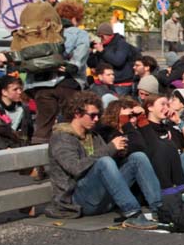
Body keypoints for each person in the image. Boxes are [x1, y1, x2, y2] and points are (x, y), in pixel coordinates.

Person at [46, 92, 161, 227]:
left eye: (98, 116)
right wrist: (110, 148)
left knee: (137, 158)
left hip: (102, 197)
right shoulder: (62, 138)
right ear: (77, 113)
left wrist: (119, 152)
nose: (96, 119)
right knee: (104, 162)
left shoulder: (93, 136)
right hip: (77, 201)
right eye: (92, 115)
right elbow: (75, 168)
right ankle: (133, 214)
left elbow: (107, 162)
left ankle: (158, 208)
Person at [25, 1, 90, 145]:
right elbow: (80, 55)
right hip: (68, 84)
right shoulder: (79, 33)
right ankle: (67, 155)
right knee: (70, 123)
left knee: (43, 125)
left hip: (41, 85)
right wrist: (71, 66)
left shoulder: (44, 33)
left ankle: (39, 163)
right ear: (75, 18)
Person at [88, 22, 139, 96]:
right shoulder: (103, 46)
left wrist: (102, 51)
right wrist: (92, 52)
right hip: (107, 84)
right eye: (99, 37)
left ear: (109, 35)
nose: (101, 39)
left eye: (102, 36)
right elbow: (91, 64)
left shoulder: (121, 44)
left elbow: (118, 61)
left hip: (121, 84)